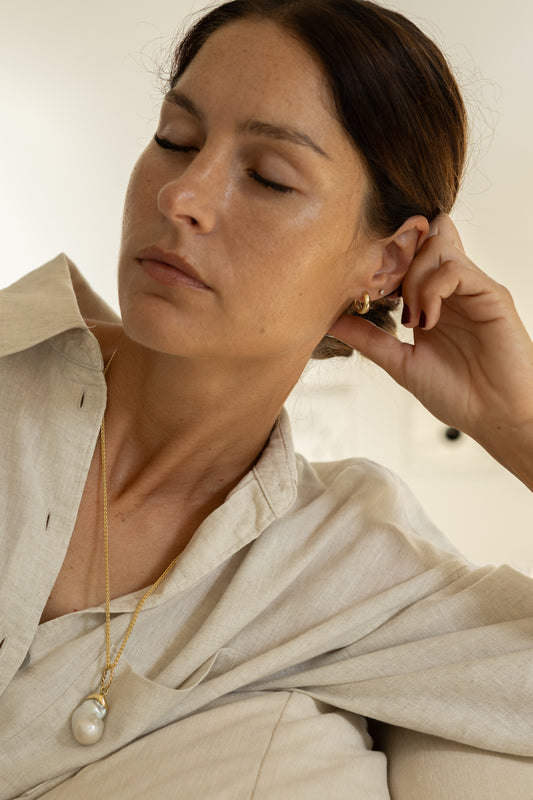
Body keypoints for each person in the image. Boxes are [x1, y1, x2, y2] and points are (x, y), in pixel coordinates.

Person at [1, 0, 532, 797]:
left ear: (385, 264)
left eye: (269, 177)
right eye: (175, 139)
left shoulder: (343, 560)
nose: (182, 194)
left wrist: (518, 423)